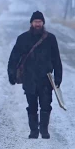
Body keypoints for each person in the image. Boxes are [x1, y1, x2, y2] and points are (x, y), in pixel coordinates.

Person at [7, 11, 63, 139]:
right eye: (35, 21)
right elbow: (14, 58)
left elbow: (56, 59)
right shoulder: (22, 38)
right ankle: (33, 131)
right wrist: (11, 74)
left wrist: (58, 76)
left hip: (46, 78)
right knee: (31, 105)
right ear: (31, 23)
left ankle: (44, 130)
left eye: (40, 22)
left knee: (46, 105)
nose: (38, 24)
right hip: (29, 78)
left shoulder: (50, 39)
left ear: (43, 23)